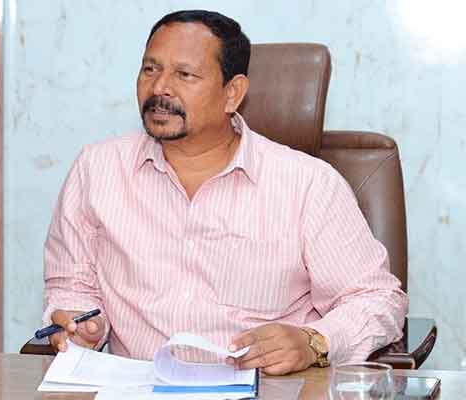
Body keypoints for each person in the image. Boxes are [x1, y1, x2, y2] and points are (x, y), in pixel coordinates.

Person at [43, 9, 408, 375]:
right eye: (150, 69)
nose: (159, 88)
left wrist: (313, 341)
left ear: (232, 93)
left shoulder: (308, 184)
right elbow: (72, 285)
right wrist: (82, 324)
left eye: (184, 74)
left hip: (266, 388)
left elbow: (377, 299)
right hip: (136, 386)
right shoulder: (97, 169)